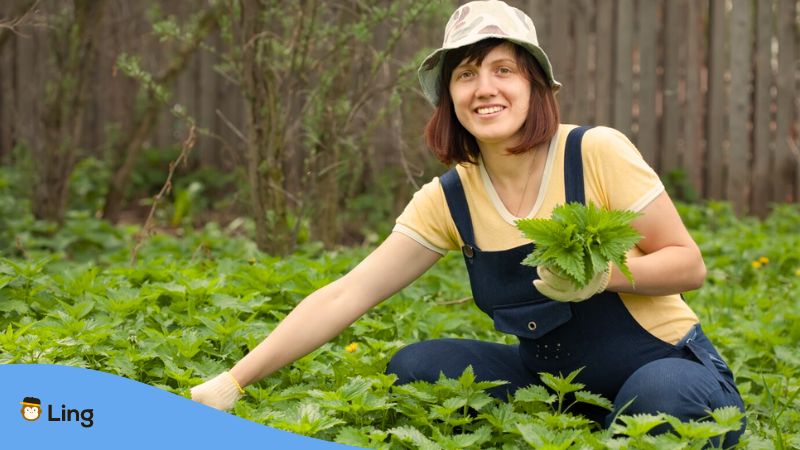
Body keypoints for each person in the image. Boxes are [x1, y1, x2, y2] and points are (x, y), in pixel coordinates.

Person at [191, 1, 745, 445]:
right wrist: (234, 380)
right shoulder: (450, 197)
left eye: (504, 69)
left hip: (667, 367)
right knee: (416, 367)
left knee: (662, 398)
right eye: (466, 73)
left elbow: (687, 263)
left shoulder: (593, 152)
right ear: (448, 97)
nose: (485, 87)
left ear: (534, 86)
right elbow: (348, 294)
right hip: (555, 394)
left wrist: (606, 277)